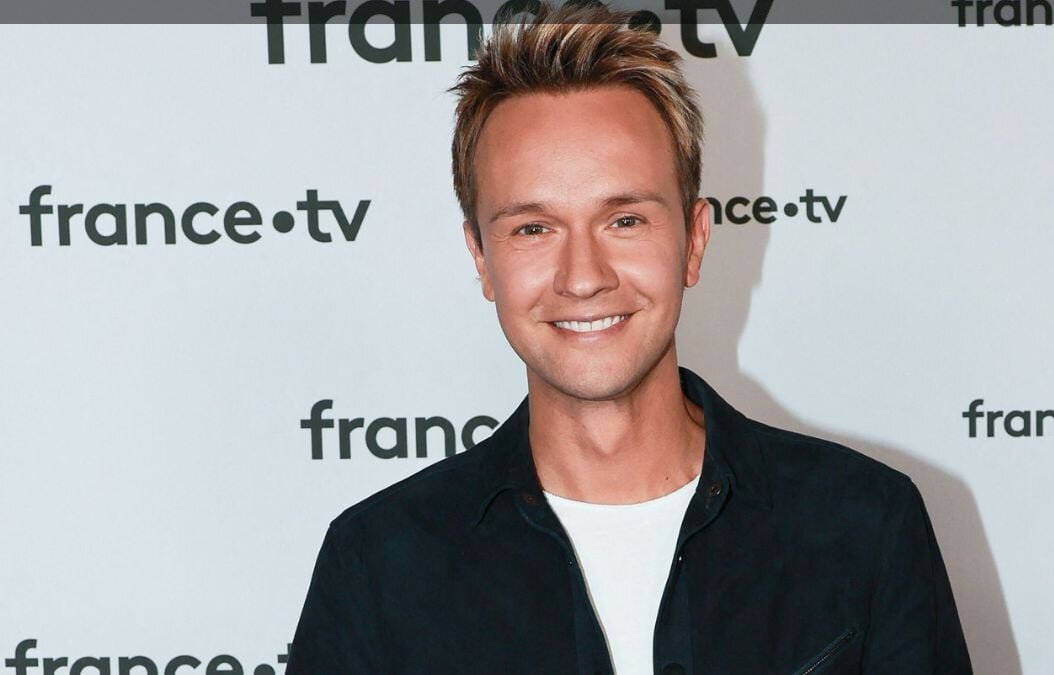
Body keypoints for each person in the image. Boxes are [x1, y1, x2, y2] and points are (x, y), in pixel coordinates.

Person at [287, 4, 973, 673]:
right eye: (533, 228)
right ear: (482, 259)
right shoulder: (377, 565)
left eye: (625, 221)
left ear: (694, 240)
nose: (583, 277)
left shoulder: (865, 528)